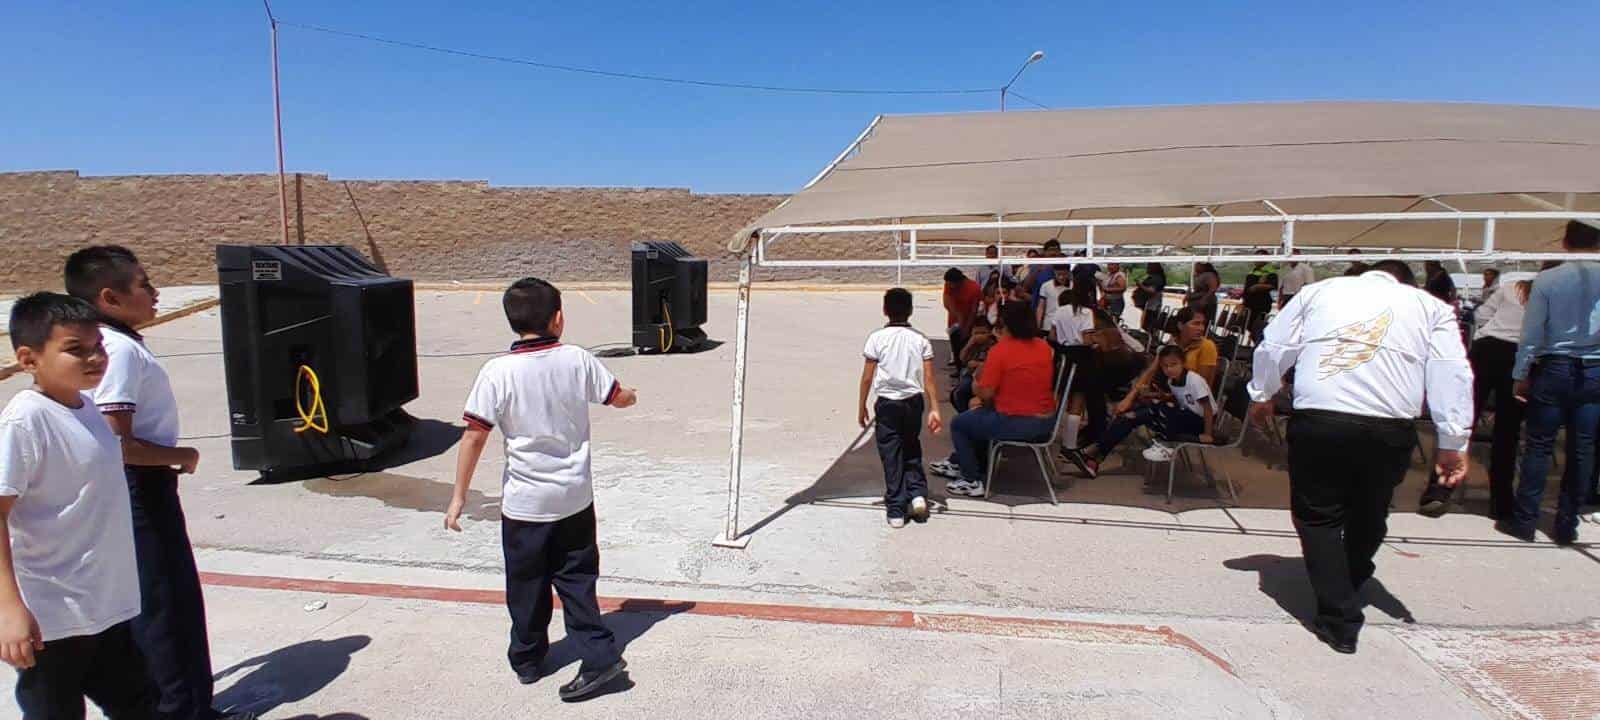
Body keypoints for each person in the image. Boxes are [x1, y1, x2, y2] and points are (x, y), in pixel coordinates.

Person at [1246, 260, 1471, 655]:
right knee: (1371, 509)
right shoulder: (1429, 307)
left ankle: (1341, 620)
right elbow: (1451, 370)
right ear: (1406, 282)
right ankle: (1350, 575)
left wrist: (1261, 395)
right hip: (1389, 427)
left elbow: (1275, 346)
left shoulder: (1321, 291)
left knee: (1319, 515)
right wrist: (1452, 441)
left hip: (1321, 419)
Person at [63, 246, 246, 720]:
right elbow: (116, 439)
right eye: (144, 283)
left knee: (165, 603)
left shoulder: (113, 343)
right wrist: (181, 456)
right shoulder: (117, 350)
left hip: (136, 488)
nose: (155, 291)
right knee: (164, 609)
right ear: (110, 297)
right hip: (139, 488)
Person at [446, 278, 636, 700]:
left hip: (525, 506)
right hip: (574, 500)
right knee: (577, 582)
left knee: (527, 584)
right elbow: (617, 396)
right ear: (559, 319)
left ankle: (529, 660)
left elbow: (474, 435)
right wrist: (631, 397)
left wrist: (459, 495)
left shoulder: (497, 372)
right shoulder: (577, 360)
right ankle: (600, 656)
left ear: (513, 322)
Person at [0, 293, 156, 719]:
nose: (94, 358)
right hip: (53, 617)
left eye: (98, 347)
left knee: (141, 704)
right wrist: (9, 609)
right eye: (75, 349)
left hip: (103, 607)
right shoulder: (25, 420)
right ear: (29, 360)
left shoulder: (85, 407)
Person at [1506, 222, 1600, 545]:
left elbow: (1531, 334)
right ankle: (1566, 524)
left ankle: (1524, 522)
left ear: (1564, 243)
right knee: (1582, 448)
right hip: (1595, 370)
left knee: (1538, 445)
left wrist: (1521, 374)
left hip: (1553, 368)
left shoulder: (1547, 279)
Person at [1417, 278, 1532, 519]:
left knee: (1462, 419)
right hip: (1520, 354)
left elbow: (1481, 314)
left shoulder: (1510, 287)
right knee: (1507, 433)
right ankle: (1501, 503)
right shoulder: (1551, 292)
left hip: (1487, 348)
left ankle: (1439, 489)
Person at [946, 302, 1059, 498]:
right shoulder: (1043, 347)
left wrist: (975, 382)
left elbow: (986, 393)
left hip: (1019, 422)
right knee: (977, 417)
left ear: (1005, 325)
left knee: (960, 423)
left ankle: (971, 478)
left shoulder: (1001, 351)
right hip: (1047, 422)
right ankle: (970, 463)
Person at [858, 288, 943, 528]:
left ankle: (896, 507)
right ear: (911, 310)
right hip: (913, 401)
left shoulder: (877, 339)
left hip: (887, 403)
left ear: (885, 310)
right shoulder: (920, 339)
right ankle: (916, 493)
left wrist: (861, 405)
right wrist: (935, 408)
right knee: (911, 445)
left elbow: (867, 377)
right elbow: (929, 379)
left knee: (891, 453)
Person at [1071, 345, 1215, 477]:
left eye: (1174, 365)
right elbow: (1182, 399)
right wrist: (1162, 396)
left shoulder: (1195, 380)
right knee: (1130, 416)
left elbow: (1207, 408)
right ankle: (1097, 455)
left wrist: (1207, 434)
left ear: (1183, 363)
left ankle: (1165, 445)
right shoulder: (1172, 381)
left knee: (1157, 408)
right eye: (1165, 366)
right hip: (1182, 417)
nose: (1169, 369)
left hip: (1200, 422)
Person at [942, 269, 983, 376]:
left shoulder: (974, 288)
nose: (950, 286)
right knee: (955, 345)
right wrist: (958, 318)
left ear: (959, 282)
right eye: (948, 284)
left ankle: (967, 370)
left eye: (952, 284)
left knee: (967, 345)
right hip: (954, 321)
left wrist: (966, 327)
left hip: (969, 318)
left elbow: (974, 310)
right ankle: (958, 368)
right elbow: (948, 302)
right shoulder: (948, 284)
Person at [1172, 307, 1220, 391]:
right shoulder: (1172, 343)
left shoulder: (1207, 346)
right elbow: (1153, 370)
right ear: (1180, 325)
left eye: (1202, 324)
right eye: (1196, 324)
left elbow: (1201, 386)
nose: (1201, 328)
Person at [1035, 267, 1072, 333]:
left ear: (1069, 273)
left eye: (1064, 274)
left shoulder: (1073, 286)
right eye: (1058, 274)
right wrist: (1038, 325)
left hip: (1068, 325)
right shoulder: (1046, 285)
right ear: (1054, 273)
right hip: (1048, 325)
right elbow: (1041, 307)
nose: (1061, 277)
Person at [1136, 263, 1167, 334]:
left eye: (1148, 266)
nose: (1147, 268)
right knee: (1147, 325)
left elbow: (1152, 290)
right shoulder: (1153, 277)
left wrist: (1141, 285)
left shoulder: (1157, 279)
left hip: (1153, 305)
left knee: (1150, 326)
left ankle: (1151, 339)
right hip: (1150, 304)